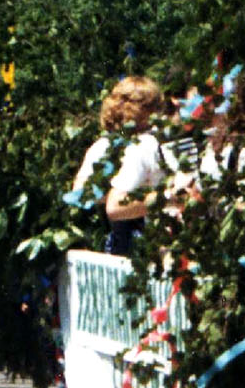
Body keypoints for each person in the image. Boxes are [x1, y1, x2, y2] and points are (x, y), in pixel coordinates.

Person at [71, 74, 171, 256]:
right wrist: (163, 197)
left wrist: (110, 188)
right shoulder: (146, 144)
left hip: (116, 245)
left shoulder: (103, 144)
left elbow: (80, 193)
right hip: (145, 244)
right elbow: (113, 205)